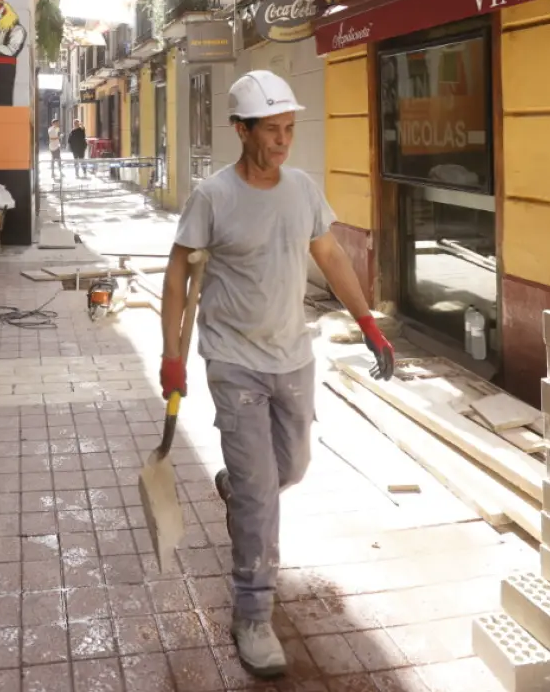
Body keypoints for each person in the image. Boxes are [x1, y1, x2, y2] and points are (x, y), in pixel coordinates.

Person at [158, 70, 395, 679]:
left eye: (290, 129)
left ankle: (239, 489)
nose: (285, 141)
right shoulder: (212, 196)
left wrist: (367, 321)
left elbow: (331, 254)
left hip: (294, 356)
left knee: (292, 468)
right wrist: (172, 355)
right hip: (233, 360)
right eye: (273, 131)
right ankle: (253, 612)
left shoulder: (302, 190)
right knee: (264, 497)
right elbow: (178, 274)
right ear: (241, 131)